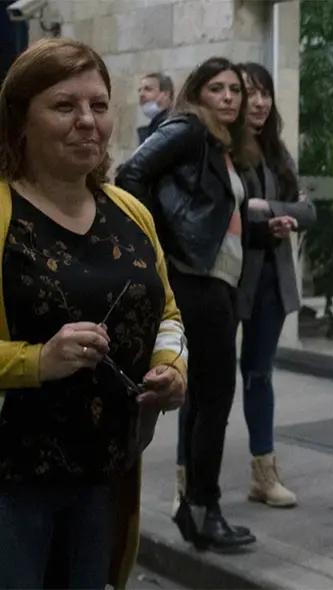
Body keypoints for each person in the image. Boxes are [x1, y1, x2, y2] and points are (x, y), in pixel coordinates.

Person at [0, 38, 186, 588]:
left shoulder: (130, 212)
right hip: (12, 477)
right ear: (20, 121)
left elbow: (167, 311)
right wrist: (38, 361)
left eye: (99, 106)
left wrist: (171, 369)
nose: (87, 121)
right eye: (65, 106)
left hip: (103, 474)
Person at [117, 57, 283, 552]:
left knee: (204, 399)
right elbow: (130, 176)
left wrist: (259, 230)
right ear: (198, 92)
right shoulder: (188, 128)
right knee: (215, 399)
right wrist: (158, 249)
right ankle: (206, 510)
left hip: (217, 282)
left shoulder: (223, 147)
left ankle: (196, 509)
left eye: (235, 89)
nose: (230, 97)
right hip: (196, 282)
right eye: (218, 88)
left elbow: (211, 218)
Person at [236, 61, 316, 508]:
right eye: (250, 92)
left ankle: (263, 475)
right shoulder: (221, 151)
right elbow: (230, 209)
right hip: (228, 279)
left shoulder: (276, 152)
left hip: (270, 279)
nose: (260, 100)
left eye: (265, 92)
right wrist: (270, 211)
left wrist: (267, 206)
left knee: (258, 376)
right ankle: (186, 484)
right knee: (207, 384)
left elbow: (307, 212)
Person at [137, 72, 173, 144]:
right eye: (139, 90)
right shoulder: (154, 127)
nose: (141, 94)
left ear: (165, 94)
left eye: (148, 89)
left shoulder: (173, 128)